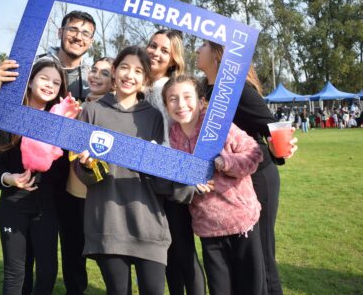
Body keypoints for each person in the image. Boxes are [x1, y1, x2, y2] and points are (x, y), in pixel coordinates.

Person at [73, 46, 205, 295]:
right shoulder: (91, 111)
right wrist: (87, 166)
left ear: (145, 79)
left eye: (137, 71)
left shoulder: (154, 116)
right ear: (114, 71)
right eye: (124, 67)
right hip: (108, 222)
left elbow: (160, 175)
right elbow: (81, 173)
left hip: (149, 223)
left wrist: (183, 180)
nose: (129, 75)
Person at [0, 10, 97, 294]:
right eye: (73, 29)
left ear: (91, 41)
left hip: (72, 182)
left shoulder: (95, 77)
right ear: (61, 32)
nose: (78, 36)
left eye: (86, 33)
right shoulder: (33, 67)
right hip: (35, 184)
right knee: (26, 261)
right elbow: (4, 116)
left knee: (74, 251)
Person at [196, 40, 297, 295]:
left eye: (202, 46)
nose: (197, 50)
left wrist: (280, 149)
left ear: (218, 54)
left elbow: (272, 126)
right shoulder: (205, 90)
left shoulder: (236, 89)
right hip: (230, 184)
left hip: (258, 177)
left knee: (262, 256)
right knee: (242, 262)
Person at [0, 60, 80, 295]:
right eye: (44, 78)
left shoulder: (60, 121)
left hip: (46, 207)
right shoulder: (11, 117)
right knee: (16, 275)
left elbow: (63, 170)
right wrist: (10, 178)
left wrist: (66, 129)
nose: (50, 85)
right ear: (30, 81)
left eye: (56, 83)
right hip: (14, 204)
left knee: (47, 274)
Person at [164, 75, 265, 294]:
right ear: (166, 106)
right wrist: (189, 181)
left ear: (201, 101)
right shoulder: (171, 138)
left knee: (251, 288)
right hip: (208, 229)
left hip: (241, 222)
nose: (181, 104)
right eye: (173, 99)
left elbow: (254, 153)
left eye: (187, 96)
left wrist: (226, 162)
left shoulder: (218, 126)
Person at [144, 29, 205, 295]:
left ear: (173, 59)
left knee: (181, 250)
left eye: (164, 50)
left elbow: (171, 136)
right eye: (152, 45)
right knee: (167, 253)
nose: (155, 52)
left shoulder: (164, 90)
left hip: (170, 177)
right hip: (154, 179)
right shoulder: (144, 85)